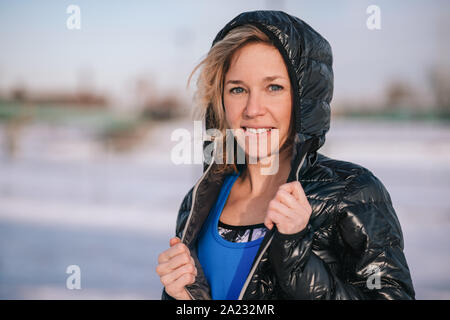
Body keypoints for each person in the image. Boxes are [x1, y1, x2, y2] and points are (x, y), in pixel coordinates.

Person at [156, 10, 415, 300]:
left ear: (304, 99)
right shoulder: (199, 200)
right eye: (238, 89)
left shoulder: (353, 192)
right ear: (220, 100)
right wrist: (180, 296)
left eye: (274, 87)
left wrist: (296, 252)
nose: (253, 109)